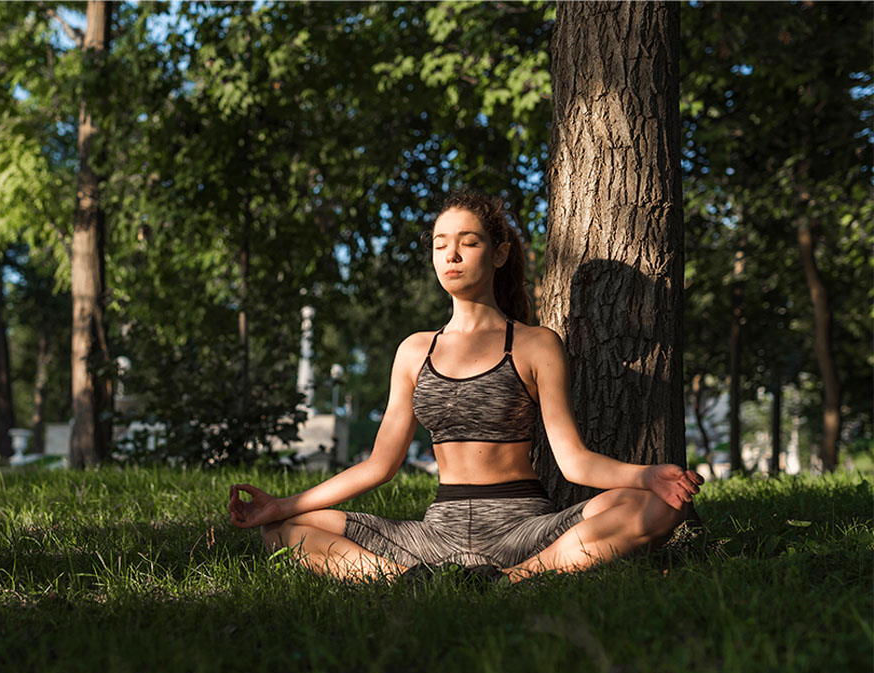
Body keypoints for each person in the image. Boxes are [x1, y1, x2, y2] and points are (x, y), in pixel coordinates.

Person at [226, 188, 703, 584]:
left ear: (498, 254)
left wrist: (647, 476)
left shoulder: (535, 345)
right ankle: (403, 579)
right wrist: (281, 505)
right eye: (439, 244)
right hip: (437, 534)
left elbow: (573, 461)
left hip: (523, 528)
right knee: (284, 531)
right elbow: (379, 466)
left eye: (467, 242)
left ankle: (512, 580)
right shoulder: (415, 351)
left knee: (657, 509)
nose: (450, 255)